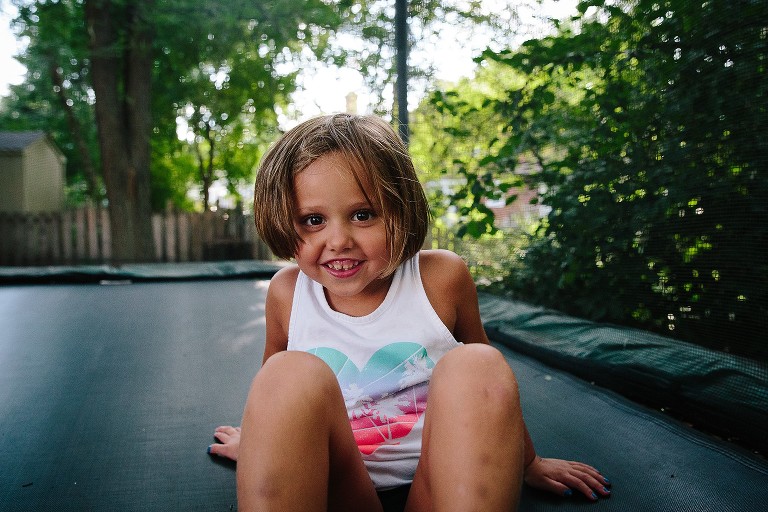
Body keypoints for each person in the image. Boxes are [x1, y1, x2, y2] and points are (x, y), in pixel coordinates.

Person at [209, 113, 611, 511]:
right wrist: (260, 447)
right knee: (285, 374)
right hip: (339, 486)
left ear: (400, 210)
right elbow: (275, 402)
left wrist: (529, 462)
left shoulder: (441, 278)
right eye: (313, 220)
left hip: (441, 484)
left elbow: (492, 394)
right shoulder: (288, 293)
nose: (338, 240)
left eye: (363, 215)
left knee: (478, 363)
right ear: (285, 221)